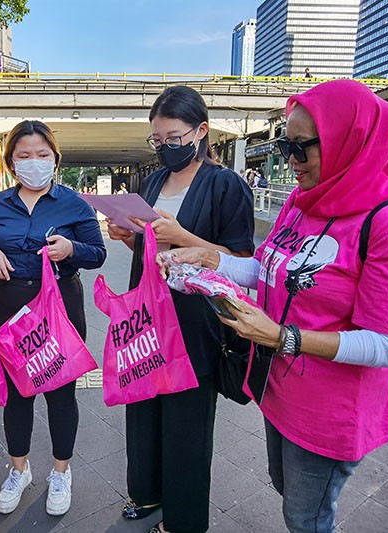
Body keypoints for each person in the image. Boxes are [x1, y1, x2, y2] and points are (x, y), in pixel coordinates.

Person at [164, 80, 388, 533]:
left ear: (349, 140)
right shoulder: (300, 201)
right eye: (285, 144)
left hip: (332, 409)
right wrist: (213, 259)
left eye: (302, 147)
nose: (290, 159)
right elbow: (267, 269)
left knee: (305, 517)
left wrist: (283, 337)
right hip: (280, 390)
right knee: (286, 491)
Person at [106, 85, 255, 533]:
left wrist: (182, 234)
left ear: (201, 131)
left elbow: (242, 262)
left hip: (194, 323)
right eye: (158, 140)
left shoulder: (225, 184)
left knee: (187, 425)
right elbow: (153, 245)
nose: (166, 147)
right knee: (144, 410)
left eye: (174, 138)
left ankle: (184, 519)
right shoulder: (152, 181)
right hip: (147, 315)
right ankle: (148, 494)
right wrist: (129, 236)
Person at [0, 120, 106, 518]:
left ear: (55, 158)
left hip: (60, 303)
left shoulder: (74, 203)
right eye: (24, 156)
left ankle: (61, 473)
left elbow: (97, 253)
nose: (34, 163)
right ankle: (19, 470)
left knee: (61, 392)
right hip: (11, 304)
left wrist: (71, 247)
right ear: (11, 163)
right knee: (17, 393)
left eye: (42, 155)